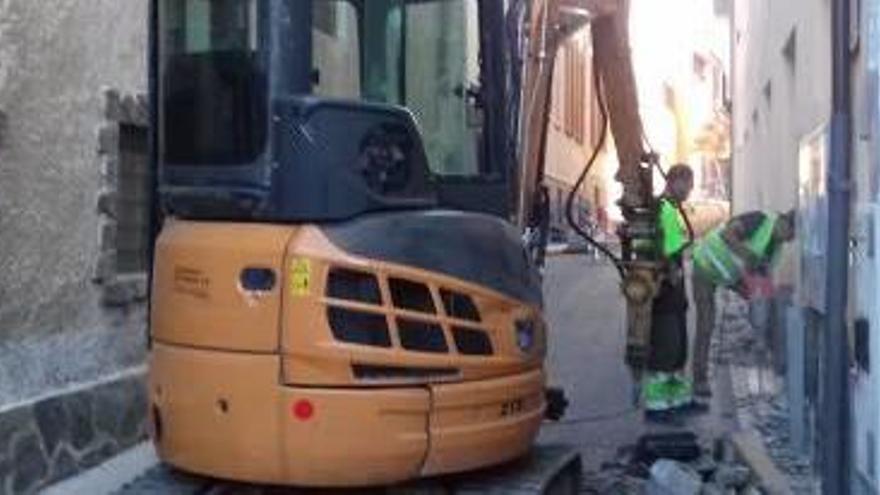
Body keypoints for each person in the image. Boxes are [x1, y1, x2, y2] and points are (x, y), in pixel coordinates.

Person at [690, 210, 797, 397]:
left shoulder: (775, 248)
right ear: (784, 221)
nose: (790, 240)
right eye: (790, 234)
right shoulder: (758, 220)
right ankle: (699, 380)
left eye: (792, 238)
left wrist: (761, 301)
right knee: (706, 324)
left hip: (729, 276)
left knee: (763, 307)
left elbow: (760, 279)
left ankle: (777, 367)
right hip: (706, 264)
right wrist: (749, 256)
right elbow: (727, 235)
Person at [643, 164, 696, 419]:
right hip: (663, 288)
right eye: (687, 183)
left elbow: (673, 246)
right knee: (666, 346)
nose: (690, 190)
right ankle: (657, 406)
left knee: (679, 348)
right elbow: (661, 248)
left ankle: (678, 400)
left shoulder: (671, 209)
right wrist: (669, 271)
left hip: (673, 288)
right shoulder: (663, 208)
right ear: (675, 181)